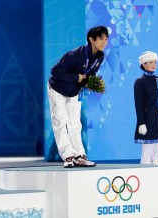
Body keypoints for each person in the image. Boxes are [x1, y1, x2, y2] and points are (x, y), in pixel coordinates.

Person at [47, 26, 108, 168]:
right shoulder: (74, 55)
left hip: (74, 91)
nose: (104, 42)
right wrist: (77, 77)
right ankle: (68, 156)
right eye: (101, 39)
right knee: (60, 122)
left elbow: (90, 73)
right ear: (91, 39)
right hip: (58, 89)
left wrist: (90, 83)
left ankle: (79, 155)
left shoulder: (100, 56)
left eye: (106, 39)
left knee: (75, 123)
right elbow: (55, 71)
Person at [134, 51, 158, 165]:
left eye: (155, 62)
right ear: (144, 64)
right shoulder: (139, 82)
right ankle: (144, 179)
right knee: (146, 154)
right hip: (148, 122)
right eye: (150, 62)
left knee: (156, 154)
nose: (154, 64)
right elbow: (138, 104)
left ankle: (156, 180)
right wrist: (141, 123)